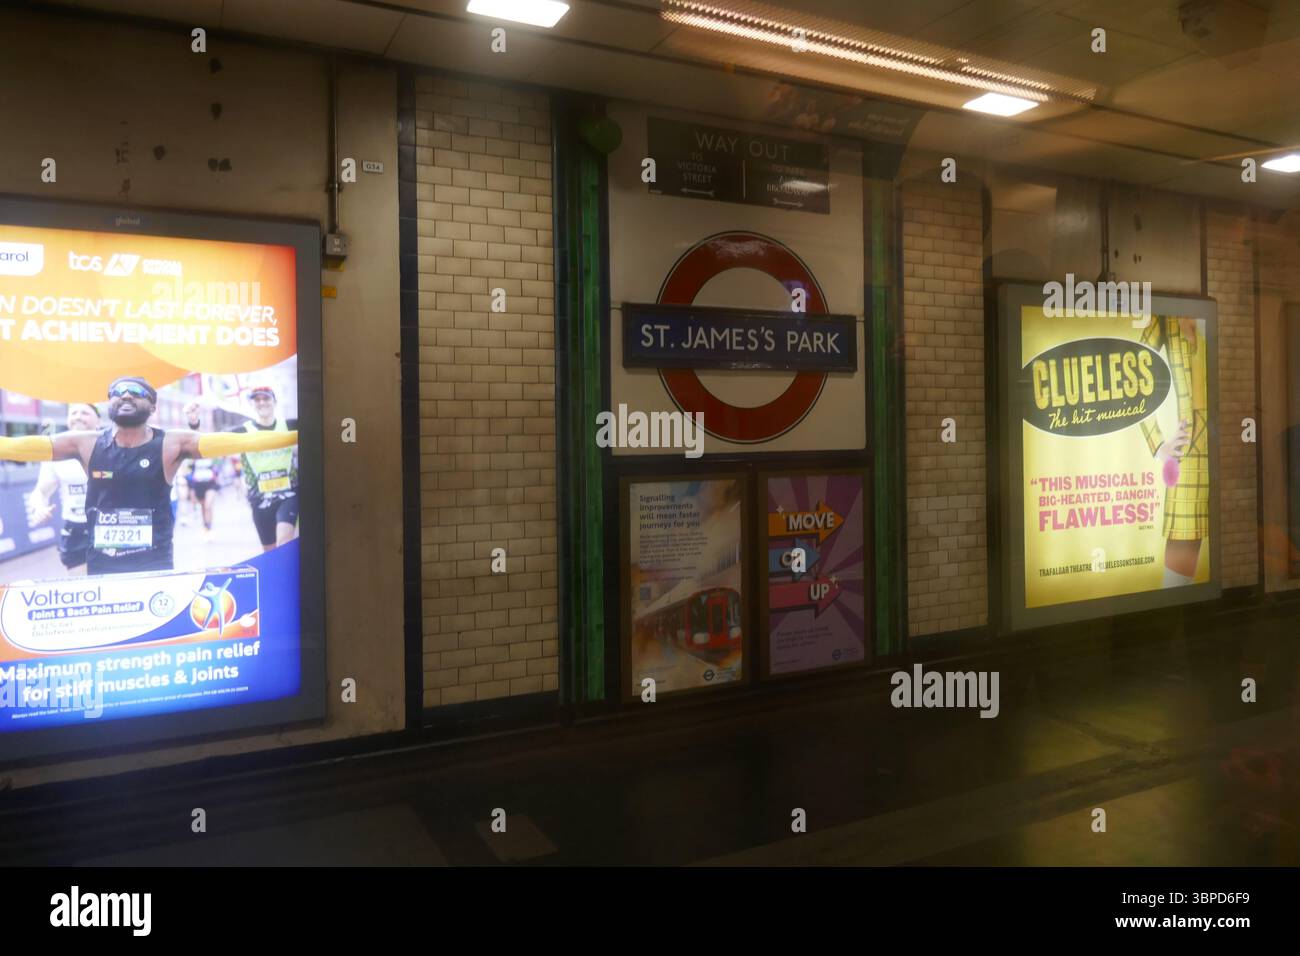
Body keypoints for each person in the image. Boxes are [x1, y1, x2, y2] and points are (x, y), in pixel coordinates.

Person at [0, 376, 298, 575]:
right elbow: (19, 446)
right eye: (118, 391)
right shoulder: (86, 442)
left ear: (153, 406)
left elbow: (245, 441)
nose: (126, 394)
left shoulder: (172, 442)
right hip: (102, 561)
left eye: (138, 392)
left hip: (154, 562)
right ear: (109, 403)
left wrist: (300, 434)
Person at [186, 385, 298, 553]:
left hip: (288, 495)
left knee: (284, 544)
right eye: (257, 400)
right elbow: (212, 441)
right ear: (252, 404)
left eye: (266, 398)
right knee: (269, 550)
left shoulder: (289, 425)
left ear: (274, 402)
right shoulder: (245, 431)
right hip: (259, 498)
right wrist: (194, 422)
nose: (262, 403)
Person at [1139, 316, 1208, 588]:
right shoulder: (1164, 315)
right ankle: (1172, 619)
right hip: (1189, 452)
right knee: (1177, 582)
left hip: (1223, 442)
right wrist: (1159, 445)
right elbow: (1132, 371)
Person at [26, 403, 100, 575]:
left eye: (85, 413)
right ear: (67, 420)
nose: (78, 416)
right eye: (73, 412)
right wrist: (38, 507)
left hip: (109, 525)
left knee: (115, 589)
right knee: (82, 588)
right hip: (76, 528)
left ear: (99, 420)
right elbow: (41, 491)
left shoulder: (112, 446)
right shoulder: (55, 450)